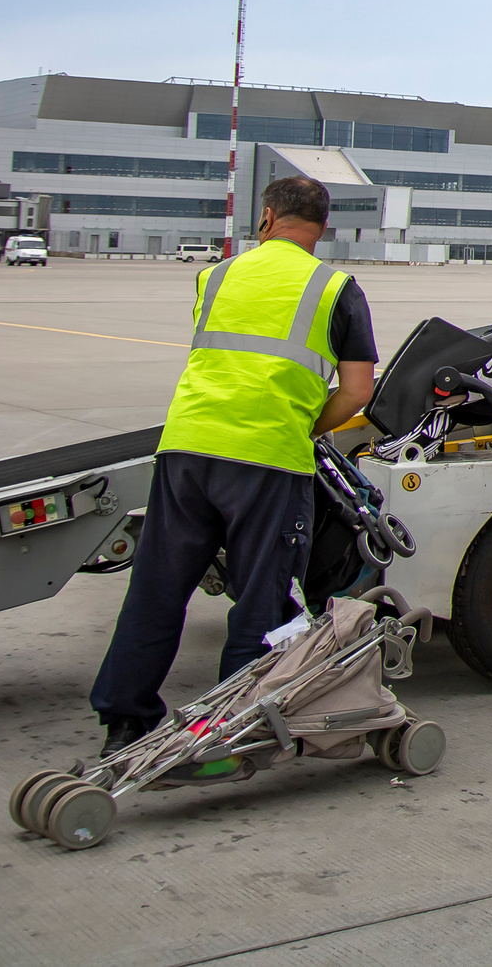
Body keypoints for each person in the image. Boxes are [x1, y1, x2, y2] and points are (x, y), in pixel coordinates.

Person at [90, 175, 375, 753]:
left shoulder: (214, 275)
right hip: (267, 458)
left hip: (187, 447)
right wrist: (305, 424)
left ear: (267, 218)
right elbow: (357, 390)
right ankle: (232, 727)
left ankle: (125, 721)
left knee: (158, 589)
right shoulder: (336, 287)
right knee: (263, 598)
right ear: (324, 229)